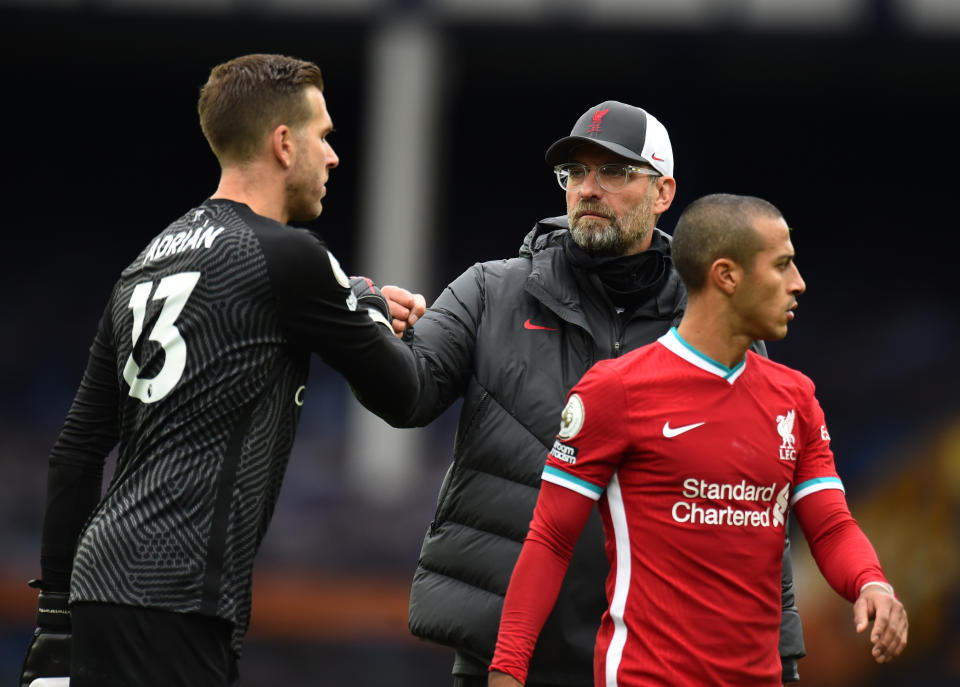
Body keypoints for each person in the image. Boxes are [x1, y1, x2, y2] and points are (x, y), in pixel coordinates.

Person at [18, 53, 422, 687]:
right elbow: (404, 395)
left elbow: (75, 452)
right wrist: (367, 303)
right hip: (175, 598)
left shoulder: (142, 265)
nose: (334, 156)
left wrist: (53, 617)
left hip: (101, 590)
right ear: (284, 143)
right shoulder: (289, 257)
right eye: (325, 136)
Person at [373, 102, 805, 685]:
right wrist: (359, 319)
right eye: (575, 173)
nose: (589, 189)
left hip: (660, 660)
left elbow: (758, 498)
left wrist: (784, 652)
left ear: (663, 192)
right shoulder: (488, 291)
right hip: (506, 659)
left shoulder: (717, 318)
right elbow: (407, 395)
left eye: (615, 173)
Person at [487, 193, 909, 686]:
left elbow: (831, 526)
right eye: (782, 265)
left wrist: (870, 582)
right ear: (726, 276)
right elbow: (550, 539)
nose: (799, 284)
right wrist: (507, 668)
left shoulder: (795, 398)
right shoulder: (616, 391)